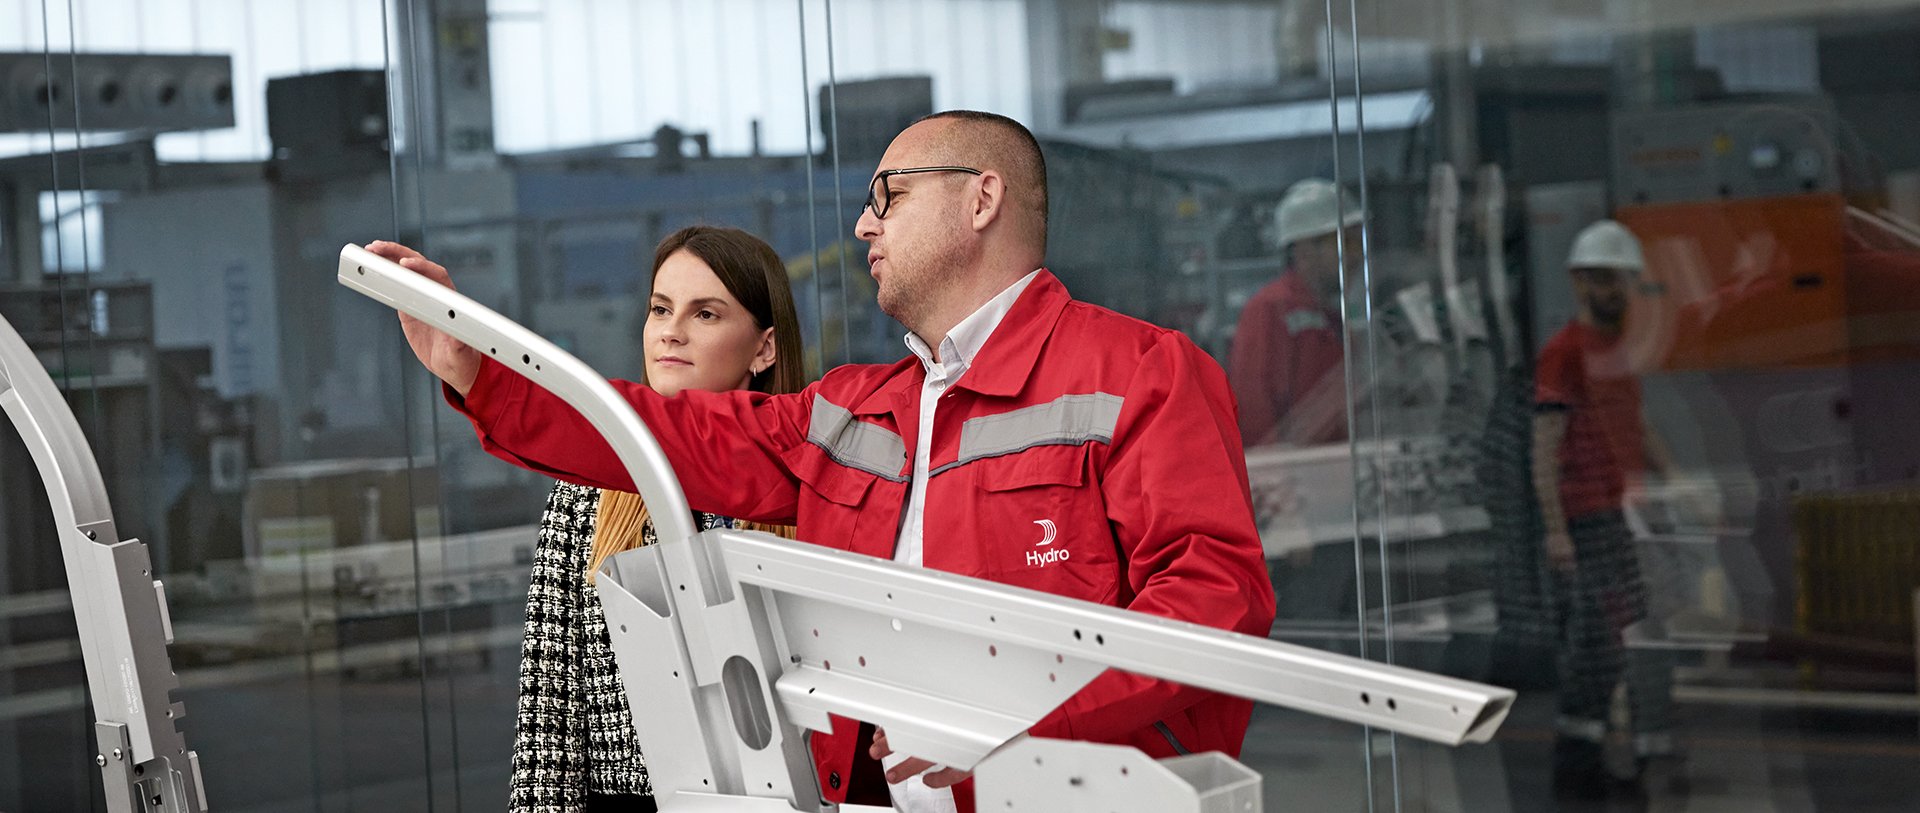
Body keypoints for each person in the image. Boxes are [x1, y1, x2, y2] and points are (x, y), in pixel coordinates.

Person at [373, 110, 1275, 813]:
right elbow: (663, 436)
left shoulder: (1141, 373)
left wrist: (1017, 723)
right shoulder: (852, 408)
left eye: (888, 196)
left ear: (981, 199)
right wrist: (478, 369)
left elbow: (1211, 608)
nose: (861, 223)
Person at [490, 226, 807, 813]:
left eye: (705, 314)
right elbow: (548, 708)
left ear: (764, 349)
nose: (670, 331)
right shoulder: (588, 489)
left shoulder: (812, 488)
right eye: (660, 308)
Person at [1532, 219, 1677, 799]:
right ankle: (1575, 770)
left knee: (1624, 634)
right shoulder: (1564, 353)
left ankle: (1609, 759)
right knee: (1594, 645)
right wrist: (1556, 531)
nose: (1618, 292)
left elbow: (1634, 424)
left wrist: (1673, 483)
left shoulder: (1616, 348)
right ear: (1582, 283)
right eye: (1607, 281)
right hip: (1586, 519)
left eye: (1624, 281)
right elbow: (1543, 447)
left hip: (1619, 516)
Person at [1227, 178, 1363, 448]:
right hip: (1296, 474)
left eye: (1356, 242)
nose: (1356, 255)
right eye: (1344, 244)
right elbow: (1252, 407)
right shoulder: (1268, 310)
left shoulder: (1329, 314)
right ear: (1303, 250)